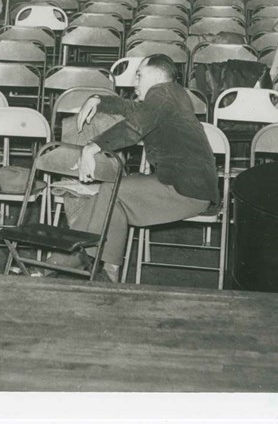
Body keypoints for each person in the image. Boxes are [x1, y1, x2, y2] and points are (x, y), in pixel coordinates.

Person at [56, 55, 219, 282]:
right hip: (185, 185)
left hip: (186, 189)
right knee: (107, 198)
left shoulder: (164, 94)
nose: (135, 82)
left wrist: (91, 147)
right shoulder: (171, 94)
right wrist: (98, 100)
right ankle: (69, 266)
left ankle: (89, 269)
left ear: (157, 75)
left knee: (112, 193)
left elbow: (134, 127)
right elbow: (133, 109)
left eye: (139, 75)